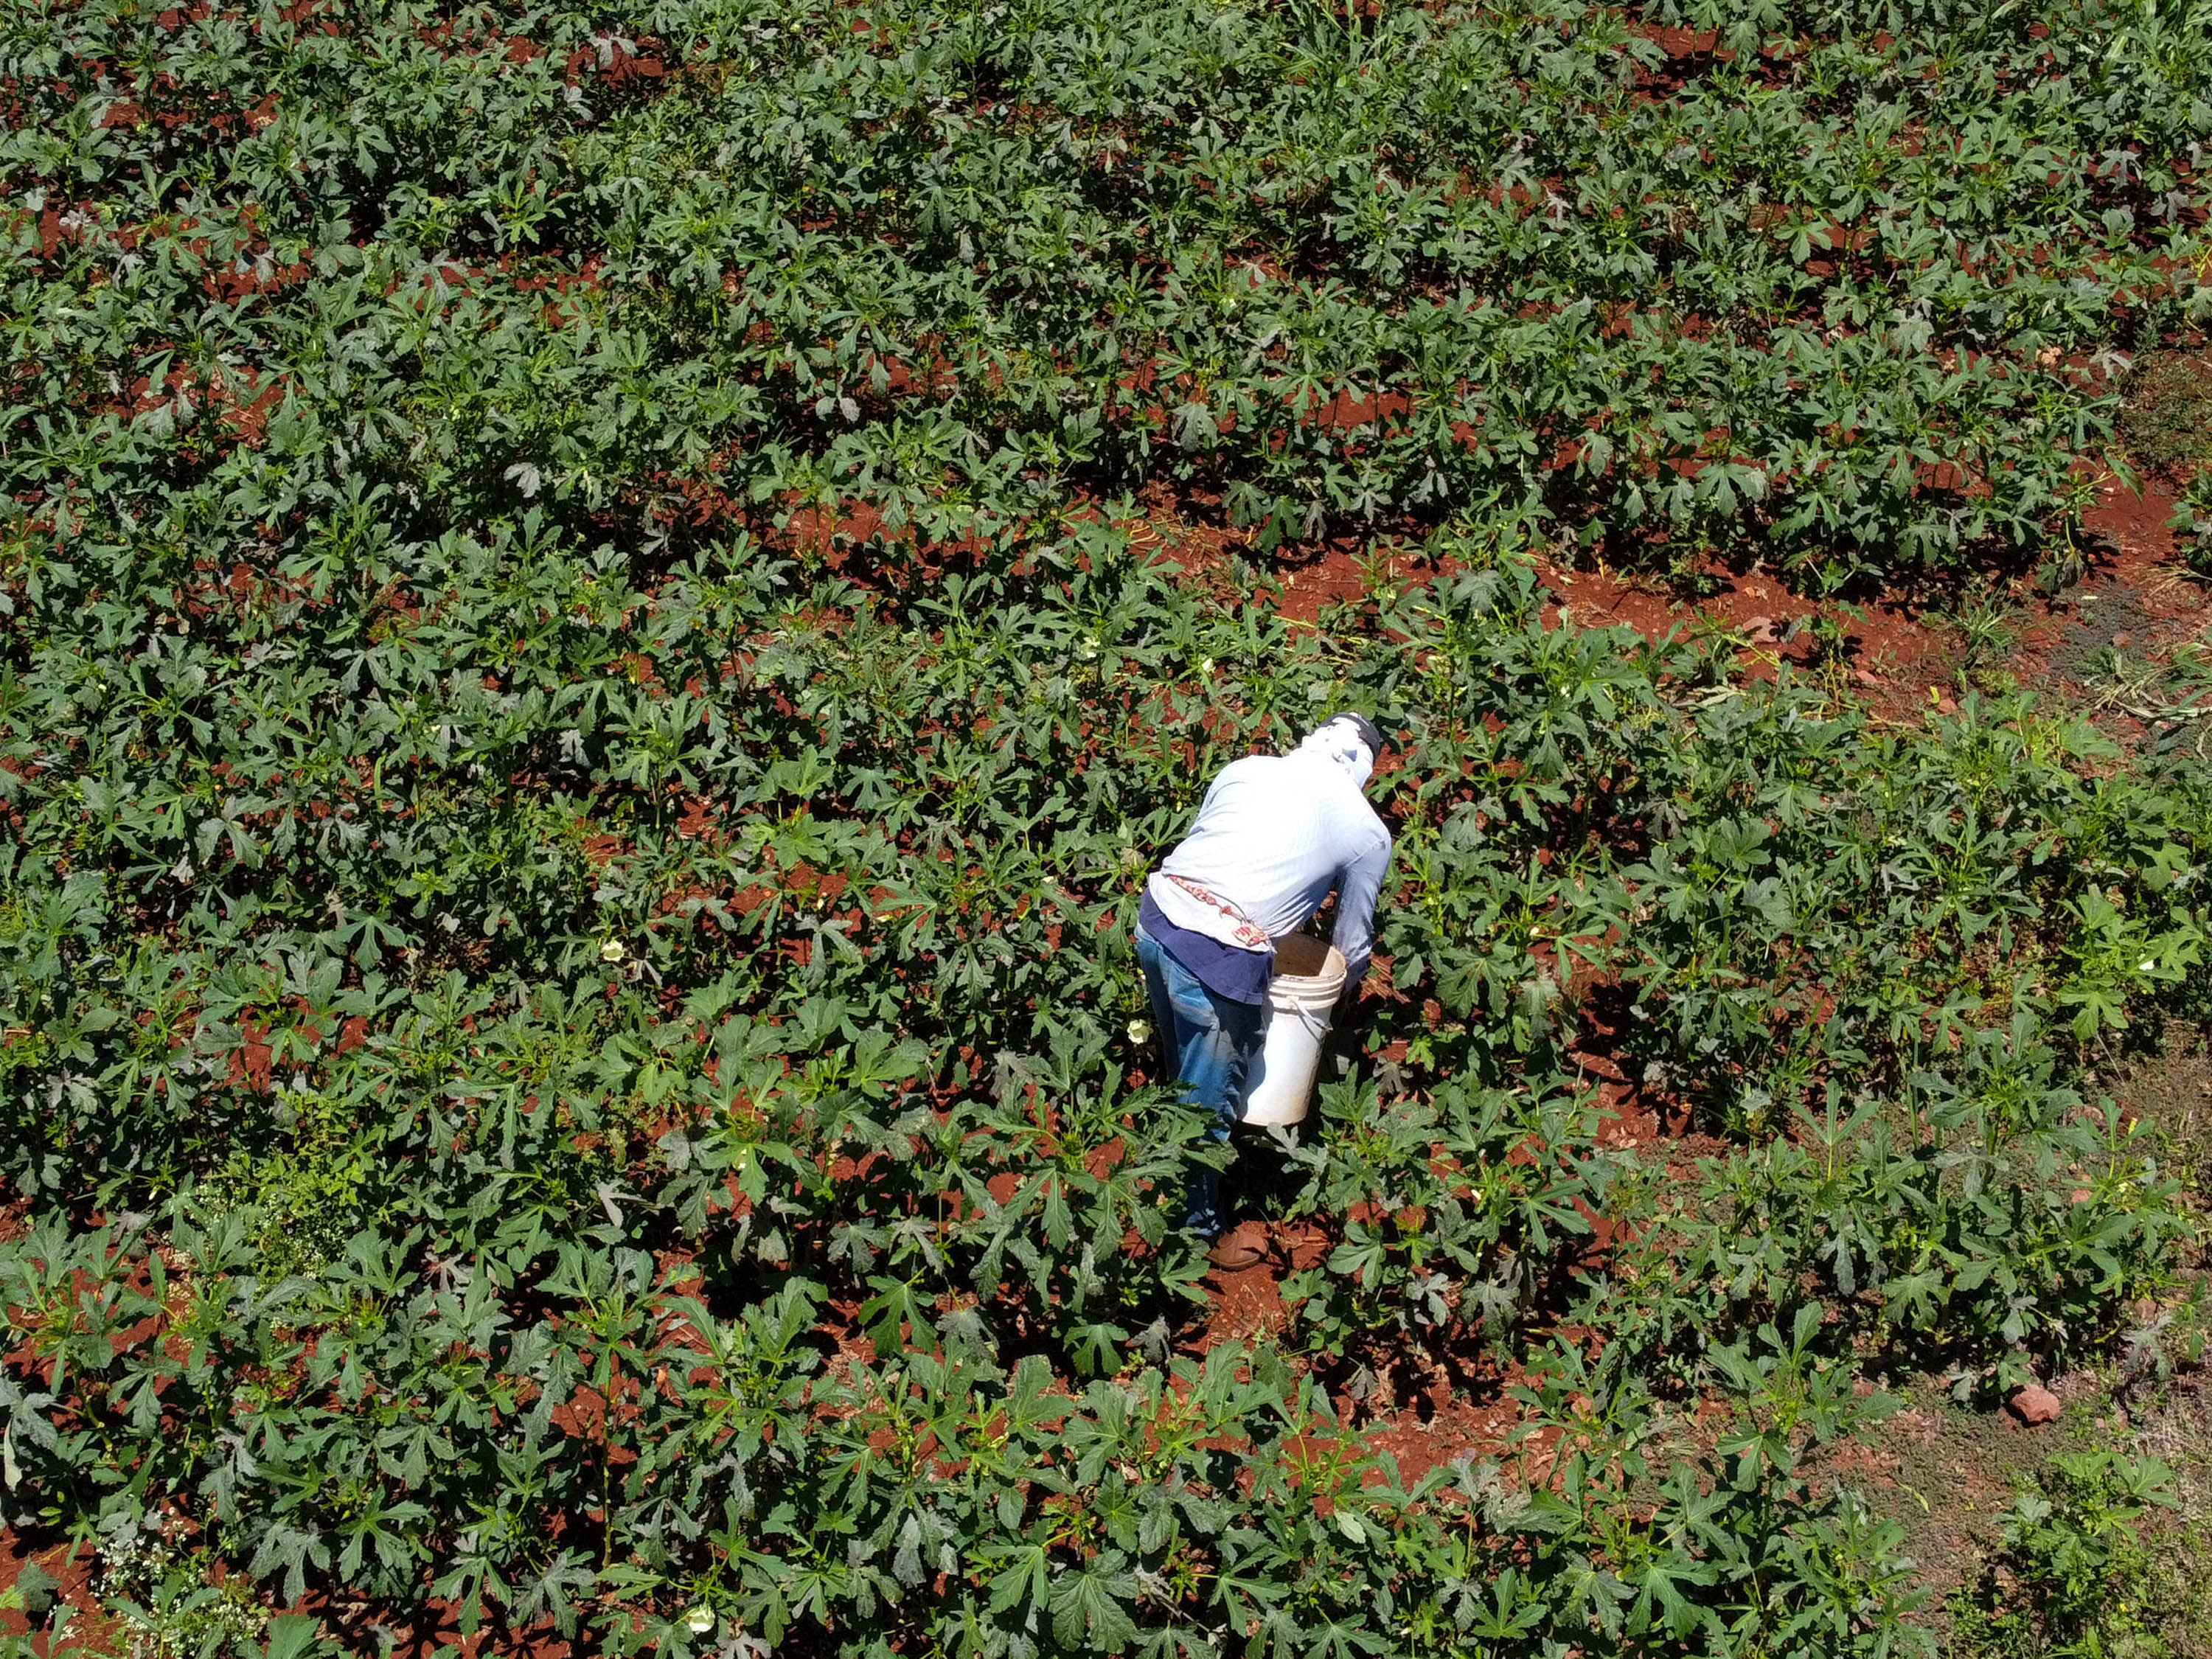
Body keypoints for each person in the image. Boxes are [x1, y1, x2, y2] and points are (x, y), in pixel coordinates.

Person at [1133, 712, 1394, 1268]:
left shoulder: (1246, 768)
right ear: (1365, 768)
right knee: (1207, 1109)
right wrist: (1339, 996)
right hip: (1219, 961)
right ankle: (1195, 1230)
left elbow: (1211, 848)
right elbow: (1351, 940)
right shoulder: (1368, 832)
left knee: (1183, 1062)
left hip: (1154, 921)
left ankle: (1164, 1144)